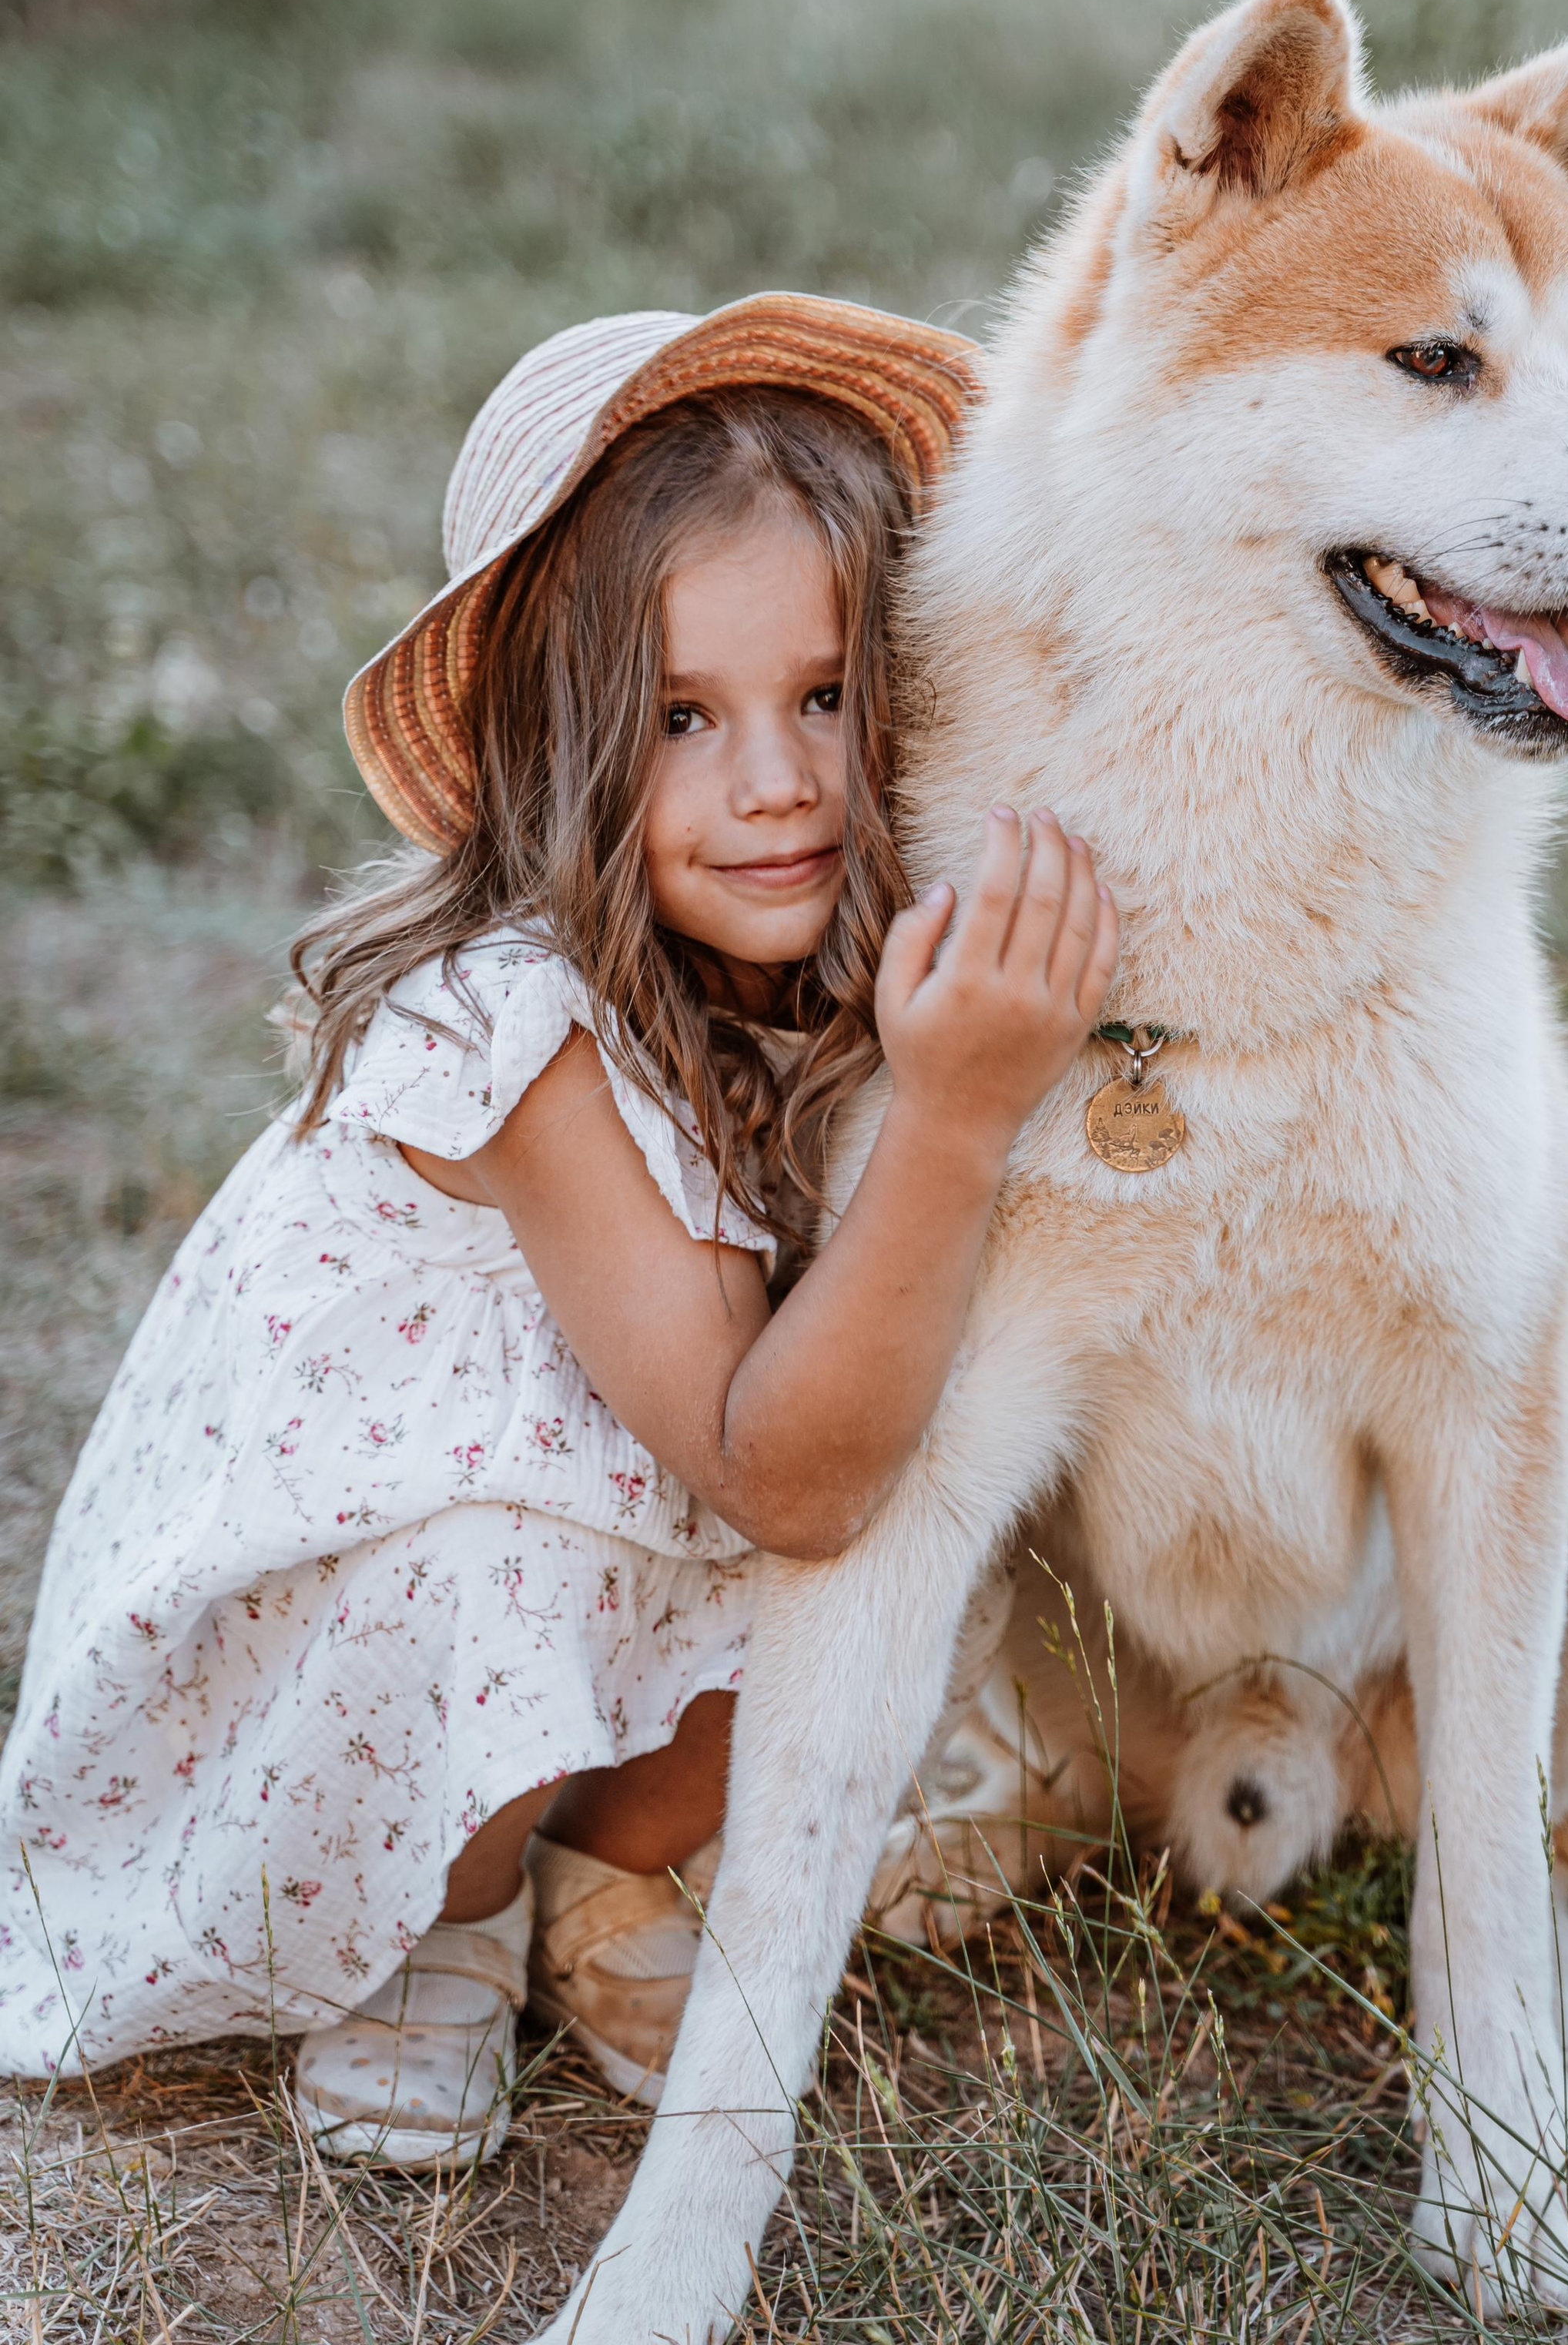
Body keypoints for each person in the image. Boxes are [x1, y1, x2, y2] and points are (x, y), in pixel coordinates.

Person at [0, 298, 1117, 2169]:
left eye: (825, 695)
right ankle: (434, 1920)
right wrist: (955, 1115)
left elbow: (843, 1448)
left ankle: (601, 1876)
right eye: (682, 719)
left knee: (932, 1463)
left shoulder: (837, 959)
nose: (777, 780)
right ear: (556, 739)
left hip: (648, 1519)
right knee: (500, 1557)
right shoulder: (513, 1029)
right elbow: (781, 1477)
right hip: (339, 1646)